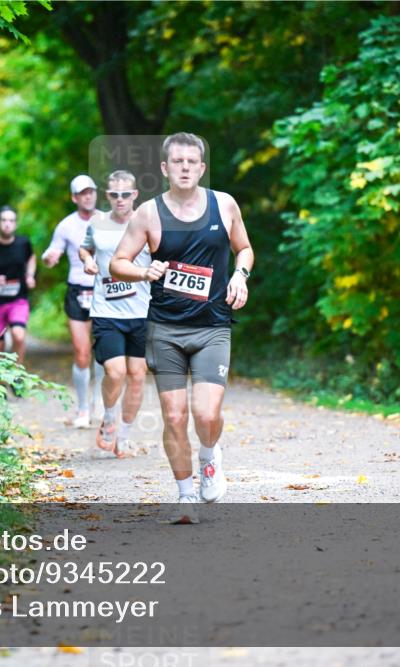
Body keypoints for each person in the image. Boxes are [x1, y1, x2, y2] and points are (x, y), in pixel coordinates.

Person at [110, 132, 254, 524]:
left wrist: (240, 275)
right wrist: (143, 271)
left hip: (212, 328)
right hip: (166, 330)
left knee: (205, 414)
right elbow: (117, 263)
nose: (185, 167)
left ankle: (210, 455)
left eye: (192, 161)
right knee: (174, 417)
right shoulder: (148, 214)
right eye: (178, 161)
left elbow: (244, 248)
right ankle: (185, 496)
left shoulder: (224, 205)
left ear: (202, 168)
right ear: (165, 167)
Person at [79, 170, 150, 459]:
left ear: (135, 195)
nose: (120, 200)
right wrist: (87, 261)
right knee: (115, 371)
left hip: (142, 311)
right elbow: (85, 249)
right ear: (107, 196)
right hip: (106, 310)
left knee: (137, 375)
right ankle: (109, 416)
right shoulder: (97, 223)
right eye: (114, 195)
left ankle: (124, 437)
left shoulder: (147, 223)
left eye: (126, 194)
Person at [42, 174, 105, 429]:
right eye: (82, 193)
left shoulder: (108, 220)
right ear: (74, 198)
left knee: (103, 352)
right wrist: (50, 257)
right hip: (77, 290)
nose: (88, 196)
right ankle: (82, 408)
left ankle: (99, 402)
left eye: (91, 191)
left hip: (105, 290)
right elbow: (52, 251)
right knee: (82, 353)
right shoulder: (66, 226)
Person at [0, 206, 36, 366]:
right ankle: (1, 376)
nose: (7, 224)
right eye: (4, 220)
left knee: (19, 335)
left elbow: (31, 258)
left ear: (16, 224)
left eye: (11, 221)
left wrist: (30, 275)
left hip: (18, 299)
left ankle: (17, 373)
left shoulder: (23, 243)